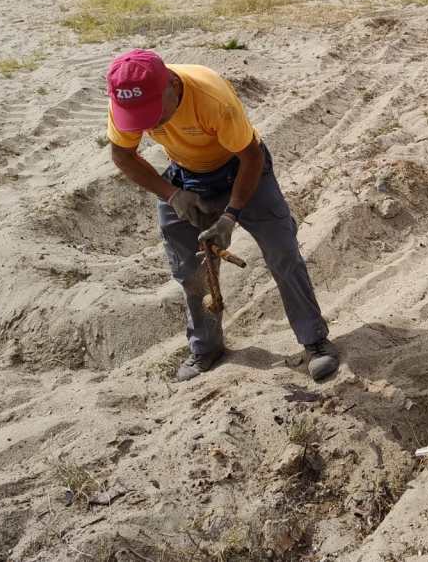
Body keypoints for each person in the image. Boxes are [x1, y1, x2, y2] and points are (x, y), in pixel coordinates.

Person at [105, 49, 339, 382]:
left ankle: (315, 341)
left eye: (153, 114)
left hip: (241, 168)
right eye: (138, 119)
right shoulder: (127, 103)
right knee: (189, 270)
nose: (148, 125)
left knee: (282, 253)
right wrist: (172, 195)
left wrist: (230, 216)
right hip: (186, 175)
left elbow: (251, 157)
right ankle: (206, 347)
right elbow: (122, 155)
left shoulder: (212, 98)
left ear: (172, 84)